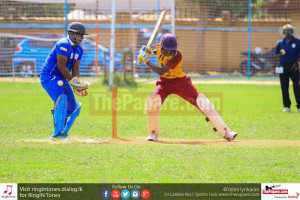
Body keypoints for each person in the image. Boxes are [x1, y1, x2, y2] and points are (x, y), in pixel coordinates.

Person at [138, 33, 237, 141]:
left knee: (202, 102)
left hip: (180, 82)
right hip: (164, 83)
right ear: (161, 46)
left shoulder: (178, 55)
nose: (170, 52)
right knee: (152, 103)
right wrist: (149, 52)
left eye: (172, 50)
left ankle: (226, 132)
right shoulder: (158, 47)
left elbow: (161, 71)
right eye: (168, 50)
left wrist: (146, 61)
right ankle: (153, 133)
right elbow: (155, 52)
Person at [40, 22, 89, 140]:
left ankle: (63, 134)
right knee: (61, 100)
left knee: (73, 108)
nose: (82, 38)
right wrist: (72, 81)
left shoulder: (79, 50)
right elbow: (62, 66)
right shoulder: (63, 44)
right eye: (80, 35)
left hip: (63, 78)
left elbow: (75, 69)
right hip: (50, 76)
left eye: (83, 36)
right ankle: (56, 133)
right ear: (71, 34)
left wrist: (76, 83)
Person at [276, 24, 300, 112]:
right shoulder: (281, 43)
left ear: (292, 32)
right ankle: (287, 106)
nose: (287, 33)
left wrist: (296, 63)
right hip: (283, 67)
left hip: (294, 67)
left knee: (297, 86)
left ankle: (299, 106)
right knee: (284, 87)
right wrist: (280, 55)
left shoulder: (297, 42)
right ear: (283, 33)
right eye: (285, 31)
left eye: (289, 31)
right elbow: (276, 55)